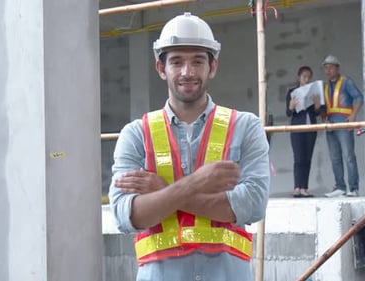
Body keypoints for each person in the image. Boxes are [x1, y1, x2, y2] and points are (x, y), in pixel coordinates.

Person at [108, 12, 270, 281]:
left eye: (197, 61)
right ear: (161, 69)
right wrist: (197, 183)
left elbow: (251, 205)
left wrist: (162, 191)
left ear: (212, 67)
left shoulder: (245, 127)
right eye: (176, 62)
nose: (187, 72)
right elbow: (128, 215)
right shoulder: (136, 134)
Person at [321, 55, 364, 198]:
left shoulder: (346, 82)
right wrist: (324, 119)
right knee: (335, 157)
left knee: (348, 156)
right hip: (331, 124)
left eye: (331, 67)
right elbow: (324, 107)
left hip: (344, 122)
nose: (328, 70)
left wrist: (353, 116)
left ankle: (353, 187)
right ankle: (339, 186)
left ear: (337, 68)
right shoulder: (326, 87)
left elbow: (359, 97)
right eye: (326, 68)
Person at [285, 66, 322, 198]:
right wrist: (291, 106)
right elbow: (288, 113)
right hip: (297, 128)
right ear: (299, 77)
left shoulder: (314, 91)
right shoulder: (292, 92)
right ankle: (297, 187)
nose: (306, 79)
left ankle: (304, 188)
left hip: (310, 128)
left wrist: (317, 105)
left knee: (307, 158)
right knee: (299, 158)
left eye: (309, 77)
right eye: (304, 76)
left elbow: (318, 112)